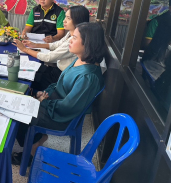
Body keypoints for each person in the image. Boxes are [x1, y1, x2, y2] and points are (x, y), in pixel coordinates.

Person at [12, 22, 105, 165]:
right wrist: (44, 93)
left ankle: (31, 149)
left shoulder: (88, 77)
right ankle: (36, 138)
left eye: (74, 37)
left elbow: (68, 107)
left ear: (88, 43)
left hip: (60, 117)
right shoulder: (79, 59)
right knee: (21, 95)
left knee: (17, 110)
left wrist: (45, 102)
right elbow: (59, 84)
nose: (70, 40)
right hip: (54, 105)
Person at [13, 6, 90, 93]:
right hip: (56, 70)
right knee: (32, 70)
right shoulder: (70, 34)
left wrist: (25, 49)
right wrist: (34, 45)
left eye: (68, 18)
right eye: (65, 17)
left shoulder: (73, 41)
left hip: (60, 77)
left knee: (28, 80)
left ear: (78, 21)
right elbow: (56, 45)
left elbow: (49, 57)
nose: (64, 21)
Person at [142, 11, 171, 80]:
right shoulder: (157, 21)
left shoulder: (156, 20)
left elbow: (147, 43)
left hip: (151, 63)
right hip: (159, 64)